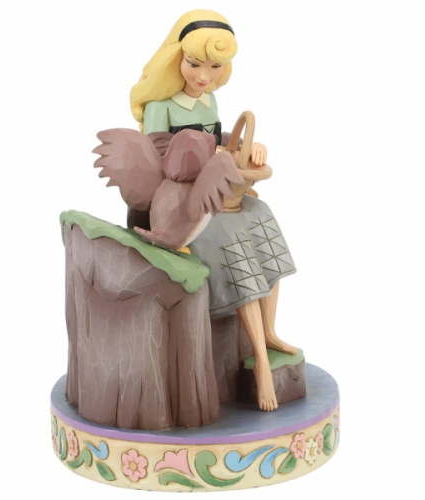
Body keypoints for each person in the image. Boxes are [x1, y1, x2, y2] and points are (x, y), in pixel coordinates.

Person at [129, 10, 297, 412]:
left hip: (215, 191)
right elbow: (159, 160)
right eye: (194, 64)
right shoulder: (161, 105)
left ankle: (269, 331)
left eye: (214, 67)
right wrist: (212, 154)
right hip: (178, 205)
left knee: (260, 216)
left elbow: (218, 137)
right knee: (232, 241)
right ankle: (259, 361)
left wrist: (246, 148)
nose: (204, 76)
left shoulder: (208, 98)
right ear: (176, 58)